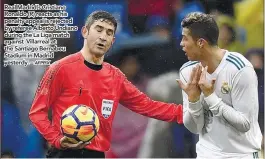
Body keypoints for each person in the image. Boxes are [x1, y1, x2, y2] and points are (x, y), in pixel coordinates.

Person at [28, 10, 183, 158]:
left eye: (108, 33)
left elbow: (148, 106)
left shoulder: (115, 77)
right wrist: (56, 139)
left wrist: (185, 113)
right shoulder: (59, 69)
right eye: (99, 30)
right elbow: (37, 113)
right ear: (85, 32)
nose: (103, 37)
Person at [176, 12, 262, 159]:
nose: (181, 43)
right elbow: (195, 128)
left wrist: (211, 97)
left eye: (185, 38)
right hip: (207, 154)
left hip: (241, 155)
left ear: (201, 42)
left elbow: (245, 124)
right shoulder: (187, 71)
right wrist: (194, 100)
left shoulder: (240, 69)